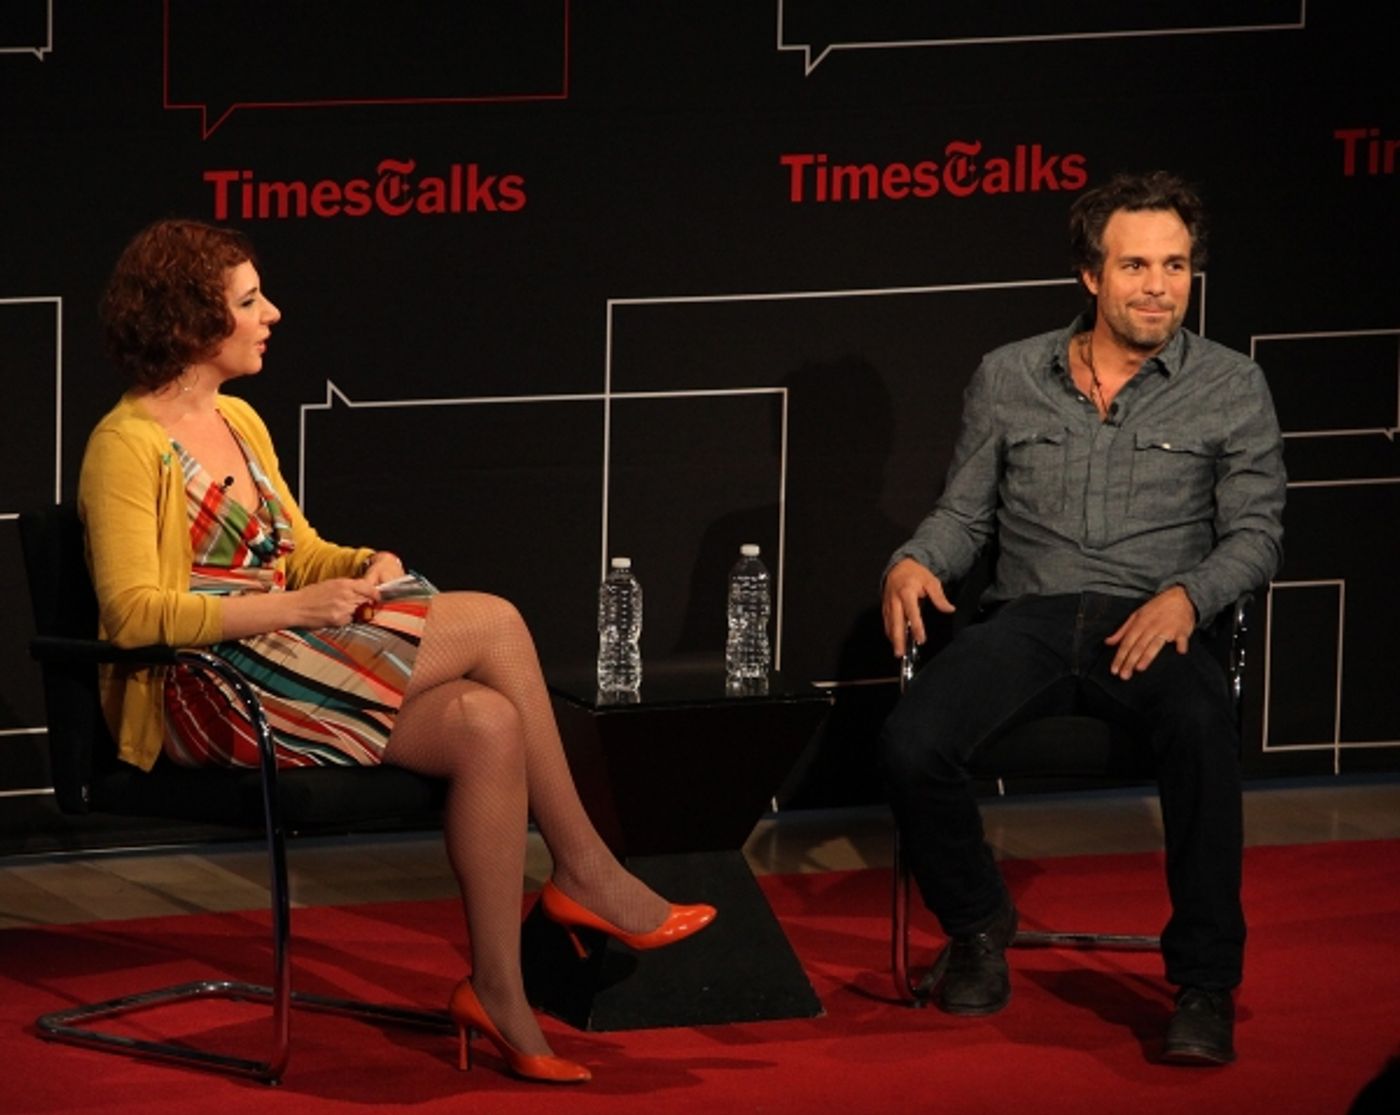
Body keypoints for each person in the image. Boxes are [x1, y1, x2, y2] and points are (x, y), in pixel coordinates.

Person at [79, 218, 716, 1085]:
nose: (272, 313)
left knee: (487, 723)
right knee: (491, 622)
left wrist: (355, 567)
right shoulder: (124, 445)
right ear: (192, 323)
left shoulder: (240, 419)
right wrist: (298, 604)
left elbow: (296, 548)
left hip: (289, 651)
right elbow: (129, 617)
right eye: (249, 300)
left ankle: (499, 989)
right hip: (206, 687)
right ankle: (585, 867)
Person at [879, 171, 1285, 1065]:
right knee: (912, 742)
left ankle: (1206, 982)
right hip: (1027, 616)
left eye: (1175, 265)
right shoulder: (1008, 375)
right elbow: (965, 516)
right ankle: (980, 925)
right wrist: (914, 559)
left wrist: (1187, 597)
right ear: (1090, 275)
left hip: (1156, 621)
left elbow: (1257, 537)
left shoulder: (1232, 386)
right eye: (1135, 264)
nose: (1158, 286)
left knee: (1201, 724)